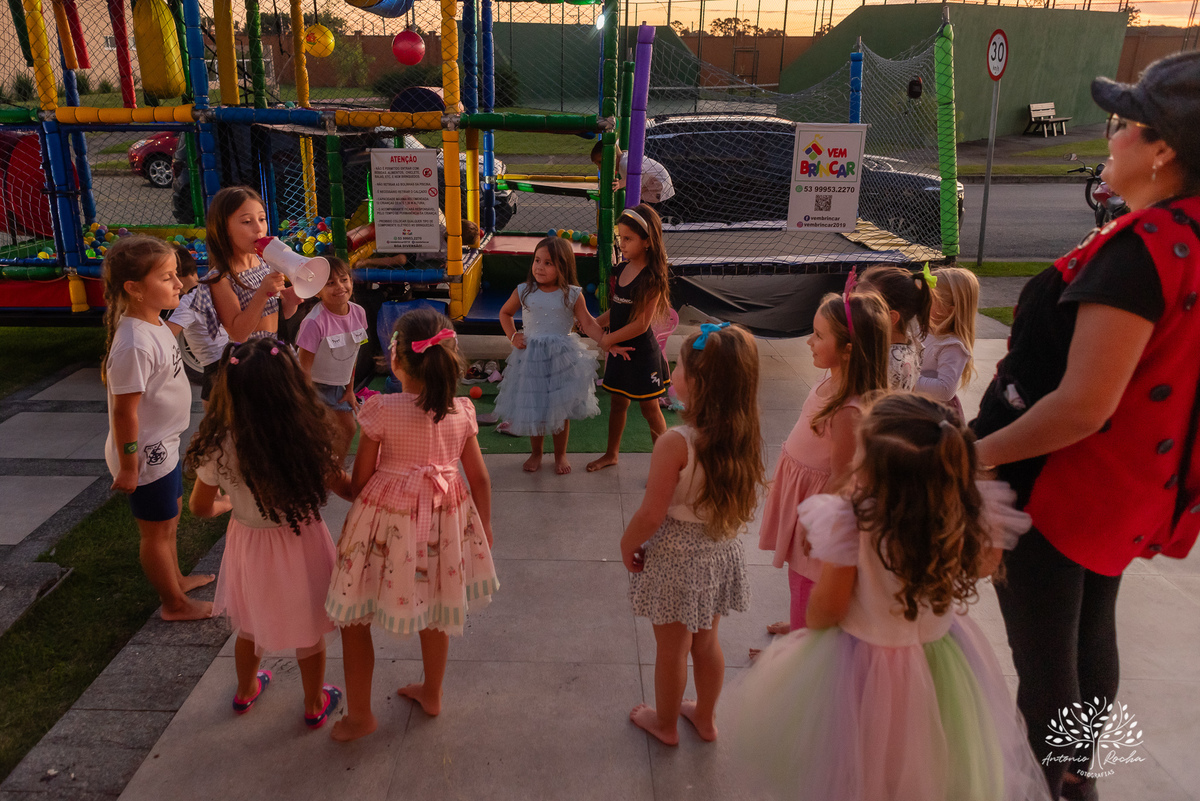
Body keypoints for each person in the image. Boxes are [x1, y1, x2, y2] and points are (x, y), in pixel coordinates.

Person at [971, 52, 1200, 801]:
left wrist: (975, 455)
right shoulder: (1186, 237)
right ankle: (1075, 774)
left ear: (1163, 148)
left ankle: (1060, 786)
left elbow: (1082, 405)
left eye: (1123, 125)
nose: (1110, 136)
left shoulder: (1142, 255)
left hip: (1062, 490)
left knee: (1048, 672)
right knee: (1089, 637)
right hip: (1129, 490)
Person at [733, 393, 1052, 801]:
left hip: (864, 667)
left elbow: (825, 610)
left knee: (863, 770)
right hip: (943, 660)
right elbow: (986, 564)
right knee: (931, 767)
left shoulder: (853, 521)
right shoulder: (961, 510)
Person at [325, 307, 499, 742]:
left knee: (355, 615)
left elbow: (361, 483)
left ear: (395, 359)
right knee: (438, 606)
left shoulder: (381, 410)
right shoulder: (461, 411)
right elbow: (479, 477)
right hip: (445, 519)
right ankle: (433, 692)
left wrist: (334, 479)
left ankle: (360, 715)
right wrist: (486, 529)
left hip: (386, 526)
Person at [186, 339, 348, 727]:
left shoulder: (218, 444)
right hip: (302, 542)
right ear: (290, 384)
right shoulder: (306, 437)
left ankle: (244, 692)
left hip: (249, 545)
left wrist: (225, 505)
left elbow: (198, 506)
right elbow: (347, 487)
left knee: (249, 624)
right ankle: (313, 704)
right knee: (309, 631)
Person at [621, 323, 764, 746]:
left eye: (677, 363)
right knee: (707, 642)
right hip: (719, 550)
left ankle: (664, 723)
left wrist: (627, 544)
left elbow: (651, 514)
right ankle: (705, 717)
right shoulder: (744, 435)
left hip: (677, 559)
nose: (671, 368)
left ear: (697, 383)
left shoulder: (675, 443)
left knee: (672, 648)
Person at [756, 285, 891, 642]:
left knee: (809, 576)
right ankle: (800, 620)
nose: (808, 342)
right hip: (805, 498)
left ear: (848, 350)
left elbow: (842, 477)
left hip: (821, 511)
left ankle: (805, 643)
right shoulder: (829, 380)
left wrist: (820, 529)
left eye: (818, 336)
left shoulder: (849, 409)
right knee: (799, 576)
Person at [102, 235, 213, 622]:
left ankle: (176, 579)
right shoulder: (133, 344)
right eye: (167, 278)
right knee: (155, 530)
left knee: (170, 519)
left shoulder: (156, 325)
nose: (178, 284)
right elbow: (123, 413)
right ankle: (174, 604)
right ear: (134, 289)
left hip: (163, 445)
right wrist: (131, 466)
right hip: (146, 453)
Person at [493, 237, 606, 474]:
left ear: (563, 266)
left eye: (548, 263)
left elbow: (588, 323)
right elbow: (505, 313)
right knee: (535, 405)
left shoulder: (572, 294)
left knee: (559, 407)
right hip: (531, 359)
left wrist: (609, 343)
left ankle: (560, 454)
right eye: (537, 260)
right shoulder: (524, 291)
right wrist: (513, 336)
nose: (539, 267)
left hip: (561, 360)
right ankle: (536, 453)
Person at [587, 205, 673, 472]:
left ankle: (665, 467)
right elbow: (620, 308)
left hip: (642, 355)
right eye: (620, 237)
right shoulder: (622, 269)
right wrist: (594, 323)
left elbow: (641, 324)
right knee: (617, 403)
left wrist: (605, 340)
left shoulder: (652, 277)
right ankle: (611, 454)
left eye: (628, 239)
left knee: (650, 411)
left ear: (647, 242)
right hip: (618, 350)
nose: (621, 244)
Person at [190, 186, 299, 342]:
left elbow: (275, 318)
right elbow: (238, 334)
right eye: (247, 221)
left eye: (262, 219)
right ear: (224, 228)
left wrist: (290, 302)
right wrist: (262, 294)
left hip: (274, 350)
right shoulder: (221, 279)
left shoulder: (264, 262)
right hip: (250, 358)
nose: (259, 228)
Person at [296, 257, 367, 460]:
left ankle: (334, 472)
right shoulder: (313, 323)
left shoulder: (359, 313)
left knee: (348, 429)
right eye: (330, 283)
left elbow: (353, 354)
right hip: (313, 388)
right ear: (317, 292)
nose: (340, 287)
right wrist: (307, 403)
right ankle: (314, 474)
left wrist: (350, 390)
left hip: (340, 388)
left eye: (344, 280)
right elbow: (304, 368)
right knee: (316, 437)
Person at [166, 244, 228, 405]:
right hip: (228, 352)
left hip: (214, 362)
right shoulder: (208, 286)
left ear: (175, 275)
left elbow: (167, 333)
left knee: (211, 409)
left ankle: (211, 430)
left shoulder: (188, 302)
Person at [858, 263, 934, 390]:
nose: (852, 311)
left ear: (891, 318)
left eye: (861, 307)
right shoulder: (911, 341)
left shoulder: (884, 361)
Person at [918, 266, 979, 422]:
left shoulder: (952, 345)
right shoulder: (924, 330)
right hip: (917, 406)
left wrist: (908, 379)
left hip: (937, 416)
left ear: (949, 311)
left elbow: (945, 390)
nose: (922, 303)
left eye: (929, 300)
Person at [591, 142, 675, 206]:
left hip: (660, 188)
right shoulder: (624, 159)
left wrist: (620, 184)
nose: (599, 167)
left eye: (600, 162)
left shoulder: (625, 162)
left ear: (614, 156)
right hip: (655, 187)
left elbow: (634, 174)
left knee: (642, 214)